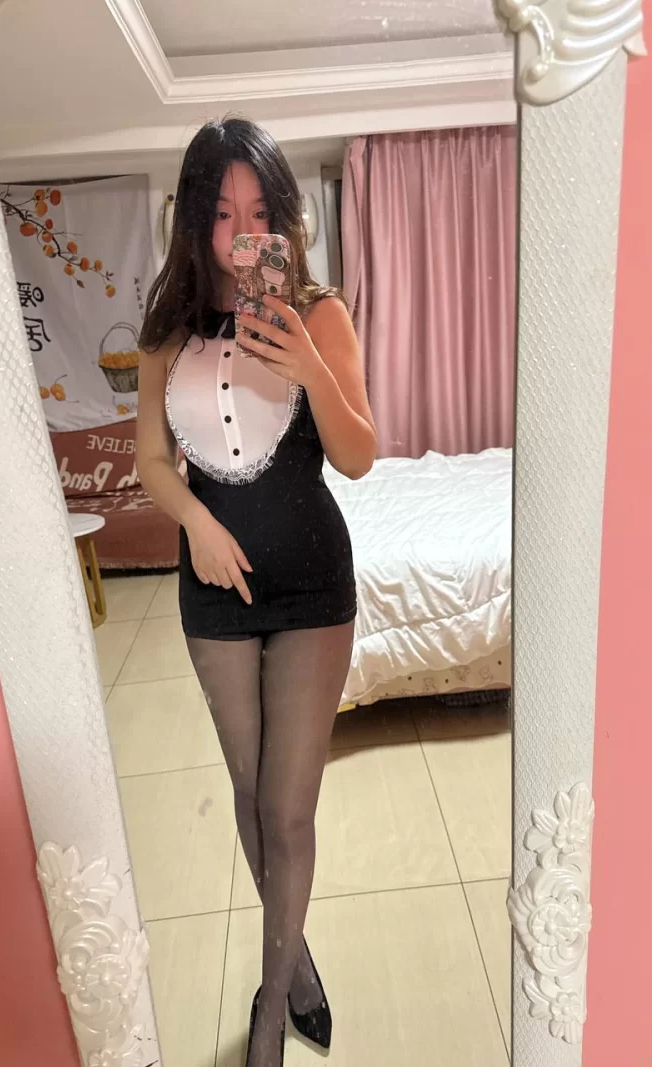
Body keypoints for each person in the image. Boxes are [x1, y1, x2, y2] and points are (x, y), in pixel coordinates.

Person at [136, 117, 377, 1067]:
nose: (243, 235)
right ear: (197, 222)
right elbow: (153, 459)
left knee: (289, 808)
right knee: (248, 792)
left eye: (259, 213)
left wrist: (308, 363)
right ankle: (299, 961)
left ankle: (271, 1007)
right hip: (214, 589)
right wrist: (194, 522)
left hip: (314, 582)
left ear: (284, 219)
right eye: (223, 213)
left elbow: (358, 456)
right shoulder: (166, 330)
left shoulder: (319, 312)